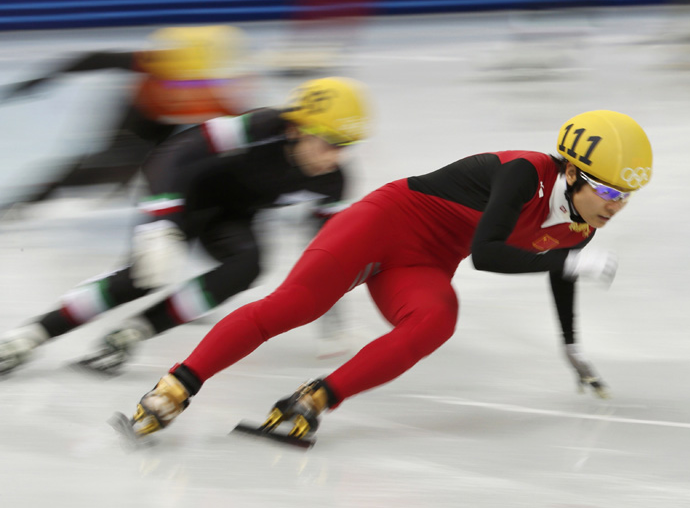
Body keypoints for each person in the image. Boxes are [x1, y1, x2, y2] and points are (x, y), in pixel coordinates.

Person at [123, 109, 652, 441]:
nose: (615, 207)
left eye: (625, 198)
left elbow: (560, 270)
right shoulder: (524, 173)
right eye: (608, 192)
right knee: (298, 305)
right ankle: (175, 386)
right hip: (382, 224)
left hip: (423, 265)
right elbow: (489, 254)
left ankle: (312, 401)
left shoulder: (581, 225)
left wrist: (571, 345)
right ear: (572, 171)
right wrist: (571, 260)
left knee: (437, 320)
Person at [0, 76, 370, 376]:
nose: (337, 156)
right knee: (144, 276)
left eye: (347, 144)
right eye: (331, 142)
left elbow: (326, 247)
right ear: (296, 129)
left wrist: (330, 309)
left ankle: (137, 330)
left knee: (248, 266)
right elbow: (173, 154)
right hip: (183, 196)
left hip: (232, 217)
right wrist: (159, 223)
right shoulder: (262, 125)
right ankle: (31, 335)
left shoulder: (333, 180)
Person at [0, 25, 252, 212]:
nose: (182, 85)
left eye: (188, 82)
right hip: (143, 111)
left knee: (178, 160)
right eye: (176, 79)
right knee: (108, 164)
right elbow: (95, 59)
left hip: (170, 120)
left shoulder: (222, 94)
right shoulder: (161, 63)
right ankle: (23, 201)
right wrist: (42, 80)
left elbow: (251, 136)